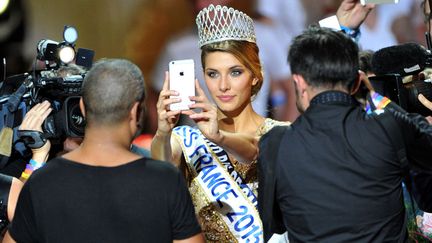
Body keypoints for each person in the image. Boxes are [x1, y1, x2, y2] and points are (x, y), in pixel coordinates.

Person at [258, 26, 432, 242]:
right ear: (358, 82)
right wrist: (377, 99)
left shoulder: (275, 144)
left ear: (299, 82)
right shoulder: (387, 127)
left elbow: (274, 224)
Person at [4, 58, 204, 243]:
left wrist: (37, 158)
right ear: (136, 112)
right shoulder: (166, 180)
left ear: (82, 108)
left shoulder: (41, 182)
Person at [151, 4, 289, 242]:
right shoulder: (187, 139)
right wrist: (163, 133)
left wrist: (219, 138)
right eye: (212, 74)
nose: (223, 85)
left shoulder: (282, 133)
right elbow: (159, 177)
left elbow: (257, 149)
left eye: (235, 72)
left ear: (255, 75)